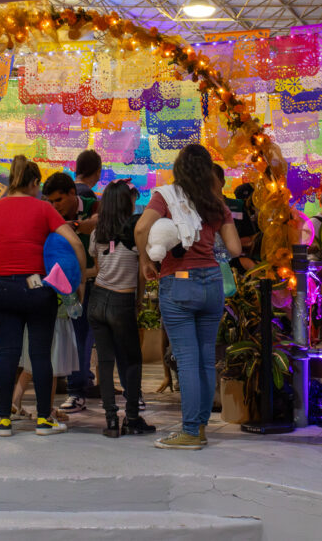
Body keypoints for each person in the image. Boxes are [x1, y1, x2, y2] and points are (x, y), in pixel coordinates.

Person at [136, 144, 242, 450]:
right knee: (207, 359)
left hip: (179, 281)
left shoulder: (165, 196)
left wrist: (146, 261)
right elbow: (235, 250)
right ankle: (201, 427)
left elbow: (142, 227)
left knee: (187, 360)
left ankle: (190, 431)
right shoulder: (216, 202)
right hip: (212, 284)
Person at [0, 156, 86, 437]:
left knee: (8, 354)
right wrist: (78, 278)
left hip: (2, 288)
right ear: (35, 182)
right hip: (37, 287)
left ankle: (3, 420)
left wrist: (3, 271)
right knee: (39, 354)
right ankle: (43, 419)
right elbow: (74, 241)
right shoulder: (43, 209)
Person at [87, 179, 154, 438]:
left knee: (105, 362)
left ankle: (111, 421)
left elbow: (98, 266)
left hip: (98, 299)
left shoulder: (97, 233)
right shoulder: (137, 231)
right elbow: (141, 272)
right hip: (122, 301)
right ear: (127, 202)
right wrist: (139, 300)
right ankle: (133, 418)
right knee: (132, 361)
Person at [43, 171, 99, 414]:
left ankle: (78, 391)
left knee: (83, 336)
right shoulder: (48, 213)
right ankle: (74, 387)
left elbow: (94, 223)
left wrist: (73, 225)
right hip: (61, 285)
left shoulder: (92, 204)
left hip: (92, 281)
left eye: (58, 200)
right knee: (69, 337)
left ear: (72, 194)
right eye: (50, 201)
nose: (54, 206)